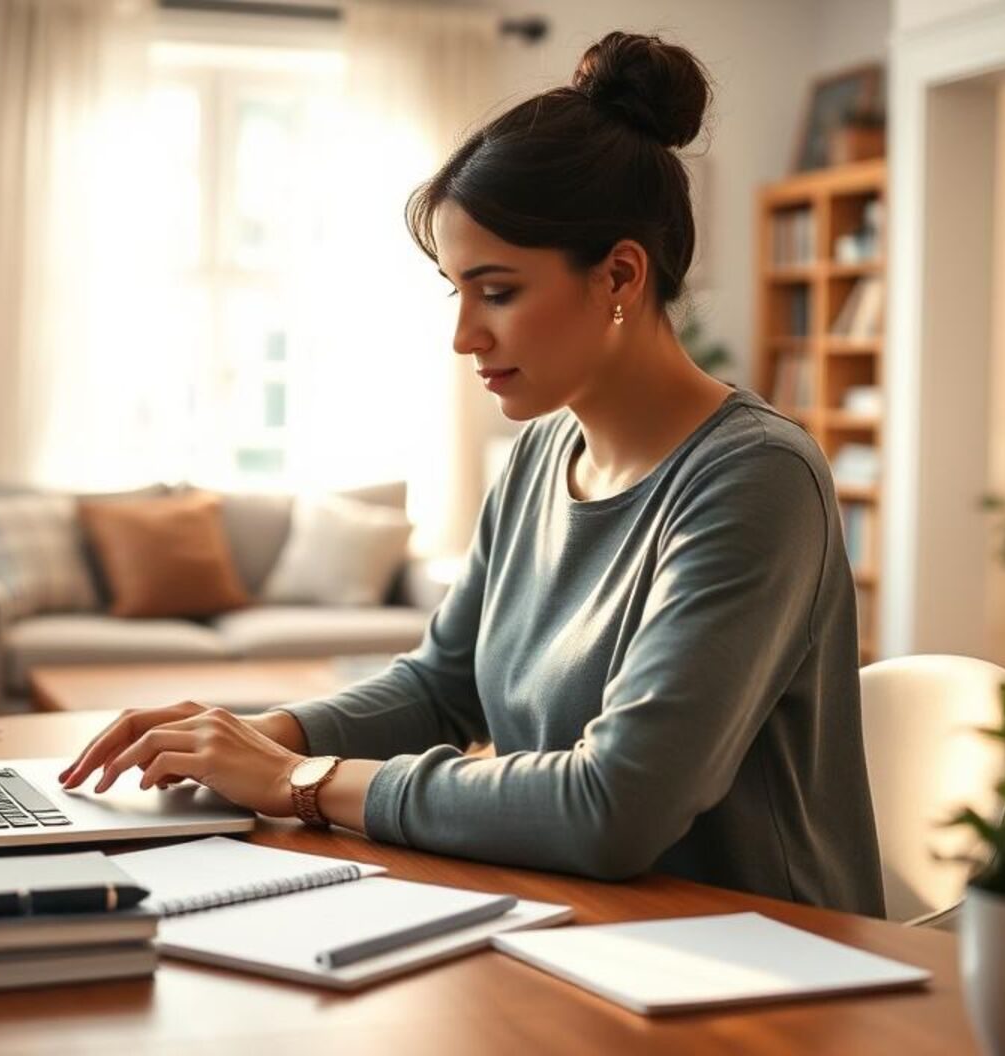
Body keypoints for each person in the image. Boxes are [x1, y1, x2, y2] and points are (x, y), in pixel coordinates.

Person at [60, 31, 885, 915]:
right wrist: (256, 735)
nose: (465, 337)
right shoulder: (540, 454)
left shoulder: (753, 480)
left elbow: (616, 807)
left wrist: (301, 778)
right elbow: (443, 684)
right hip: (583, 928)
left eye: (497, 292)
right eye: (457, 292)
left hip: (766, 971)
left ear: (619, 274)